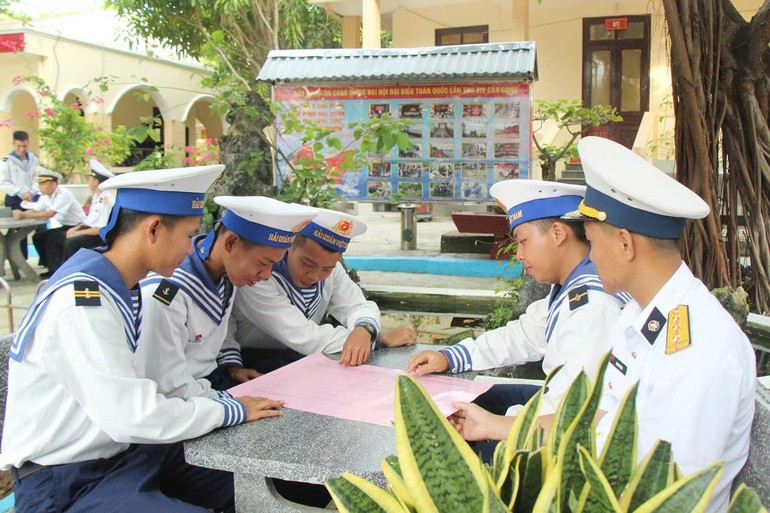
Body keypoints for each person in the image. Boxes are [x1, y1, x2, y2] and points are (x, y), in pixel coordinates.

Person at [451, 137, 756, 513]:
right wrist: (496, 427)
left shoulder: (697, 350)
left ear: (625, 245)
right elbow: (602, 416)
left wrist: (505, 431)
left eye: (592, 242)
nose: (589, 257)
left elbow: (669, 490)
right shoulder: (641, 316)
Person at [0, 164, 286, 513]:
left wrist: (228, 407)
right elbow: (132, 414)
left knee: (261, 484)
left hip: (121, 457)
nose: (191, 247)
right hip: (65, 481)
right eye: (188, 235)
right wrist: (230, 409)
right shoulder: (82, 303)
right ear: (153, 229)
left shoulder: (120, 287)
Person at [407, 180, 628, 426]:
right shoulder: (574, 286)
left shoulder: (592, 307)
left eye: (522, 241)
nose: (519, 254)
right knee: (486, 397)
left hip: (572, 431)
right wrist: (453, 357)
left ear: (558, 233)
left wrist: (495, 425)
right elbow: (524, 334)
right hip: (563, 408)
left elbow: (569, 412)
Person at [134, 195, 318, 399]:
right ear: (231, 242)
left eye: (273, 265)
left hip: (212, 382)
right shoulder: (166, 295)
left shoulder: (227, 274)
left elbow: (216, 332)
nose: (266, 275)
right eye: (263, 263)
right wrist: (230, 404)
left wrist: (231, 365)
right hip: (186, 400)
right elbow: (167, 387)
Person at [221, 209, 417, 375]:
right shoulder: (261, 276)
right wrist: (380, 338)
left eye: (327, 268)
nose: (314, 275)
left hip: (300, 360)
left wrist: (364, 329)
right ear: (289, 246)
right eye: (307, 263)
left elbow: (357, 305)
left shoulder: (332, 272)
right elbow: (304, 336)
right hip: (254, 362)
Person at [43, 159, 115, 275]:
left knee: (71, 242)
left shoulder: (106, 200)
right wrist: (75, 229)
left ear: (96, 182)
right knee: (54, 238)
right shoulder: (97, 196)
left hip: (99, 236)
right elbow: (88, 220)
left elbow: (99, 229)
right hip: (88, 229)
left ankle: (71, 273)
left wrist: (76, 233)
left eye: (90, 179)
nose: (88, 182)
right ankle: (56, 271)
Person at [12, 168, 86, 277]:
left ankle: (55, 271)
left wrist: (23, 215)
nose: (40, 187)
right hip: (66, 226)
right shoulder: (46, 196)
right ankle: (49, 265)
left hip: (79, 226)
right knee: (38, 237)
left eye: (44, 184)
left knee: (52, 238)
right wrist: (22, 213)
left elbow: (50, 213)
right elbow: (37, 208)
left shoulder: (63, 194)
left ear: (53, 184)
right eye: (40, 184)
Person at [1, 130, 40, 257]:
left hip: (32, 197)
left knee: (40, 227)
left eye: (24, 146)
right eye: (19, 146)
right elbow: (4, 182)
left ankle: (44, 259)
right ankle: (21, 258)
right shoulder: (7, 161)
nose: (22, 149)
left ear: (28, 143)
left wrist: (32, 192)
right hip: (15, 198)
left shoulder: (33, 159)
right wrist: (21, 193)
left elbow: (37, 178)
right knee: (18, 232)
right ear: (13, 144)